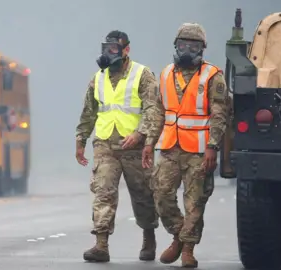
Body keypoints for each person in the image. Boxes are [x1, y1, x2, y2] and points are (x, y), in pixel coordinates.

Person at [75, 30, 164, 263]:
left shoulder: (143, 75)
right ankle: (101, 244)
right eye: (107, 48)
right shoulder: (98, 77)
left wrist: (142, 134)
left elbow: (152, 109)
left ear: (127, 50)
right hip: (105, 144)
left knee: (143, 194)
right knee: (103, 191)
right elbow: (89, 111)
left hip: (135, 146)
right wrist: (81, 139)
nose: (110, 53)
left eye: (115, 49)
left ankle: (149, 236)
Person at [151, 23, 229, 268]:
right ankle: (177, 234)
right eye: (183, 45)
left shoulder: (212, 76)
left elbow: (219, 114)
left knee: (195, 201)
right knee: (161, 193)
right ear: (176, 46)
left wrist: (213, 147)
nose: (187, 50)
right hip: (170, 147)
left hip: (199, 149)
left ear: (202, 48)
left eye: (193, 46)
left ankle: (188, 248)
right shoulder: (164, 74)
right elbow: (157, 111)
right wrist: (148, 143)